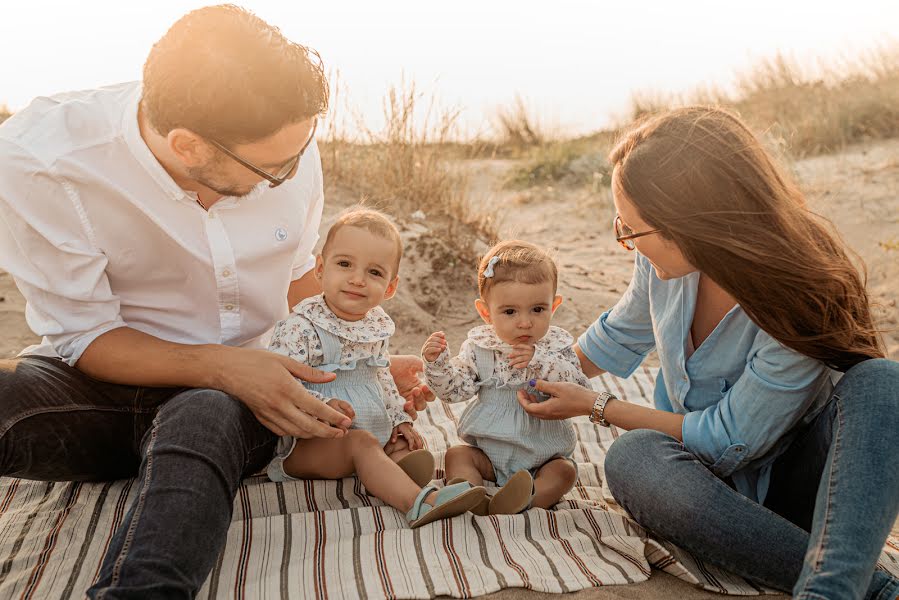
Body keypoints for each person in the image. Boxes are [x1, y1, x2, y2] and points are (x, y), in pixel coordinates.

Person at [0, 6, 428, 598]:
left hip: (240, 404)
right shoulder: (40, 160)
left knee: (203, 412)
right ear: (188, 146)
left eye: (302, 152)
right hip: (95, 386)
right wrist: (225, 365)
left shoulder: (286, 143)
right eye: (275, 167)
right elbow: (85, 334)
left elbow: (304, 280)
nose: (293, 172)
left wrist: (360, 366)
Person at [507, 107, 899, 599]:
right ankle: (875, 588)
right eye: (620, 226)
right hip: (695, 489)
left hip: (800, 488)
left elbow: (727, 438)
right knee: (633, 457)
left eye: (633, 230)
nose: (625, 241)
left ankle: (832, 588)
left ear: (689, 222)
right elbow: (621, 332)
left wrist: (596, 406)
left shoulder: (799, 289)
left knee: (883, 381)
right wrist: (529, 376)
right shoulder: (664, 265)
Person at [266, 208, 487, 527]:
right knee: (363, 444)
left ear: (390, 288)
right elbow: (281, 381)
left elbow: (381, 376)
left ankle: (401, 471)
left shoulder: (374, 326)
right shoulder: (302, 327)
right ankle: (418, 503)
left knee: (401, 442)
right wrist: (322, 404)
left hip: (365, 425)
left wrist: (399, 419)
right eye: (344, 264)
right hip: (309, 444)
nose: (357, 279)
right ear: (319, 269)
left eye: (374, 272)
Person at [422, 240, 588, 515]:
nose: (525, 322)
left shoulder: (555, 349)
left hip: (543, 456)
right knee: (457, 455)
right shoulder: (480, 348)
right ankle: (469, 493)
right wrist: (436, 364)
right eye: (510, 311)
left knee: (565, 472)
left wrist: (541, 363)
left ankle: (525, 501)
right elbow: (454, 392)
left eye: (538, 309)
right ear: (486, 312)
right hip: (489, 452)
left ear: (554, 306)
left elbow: (581, 387)